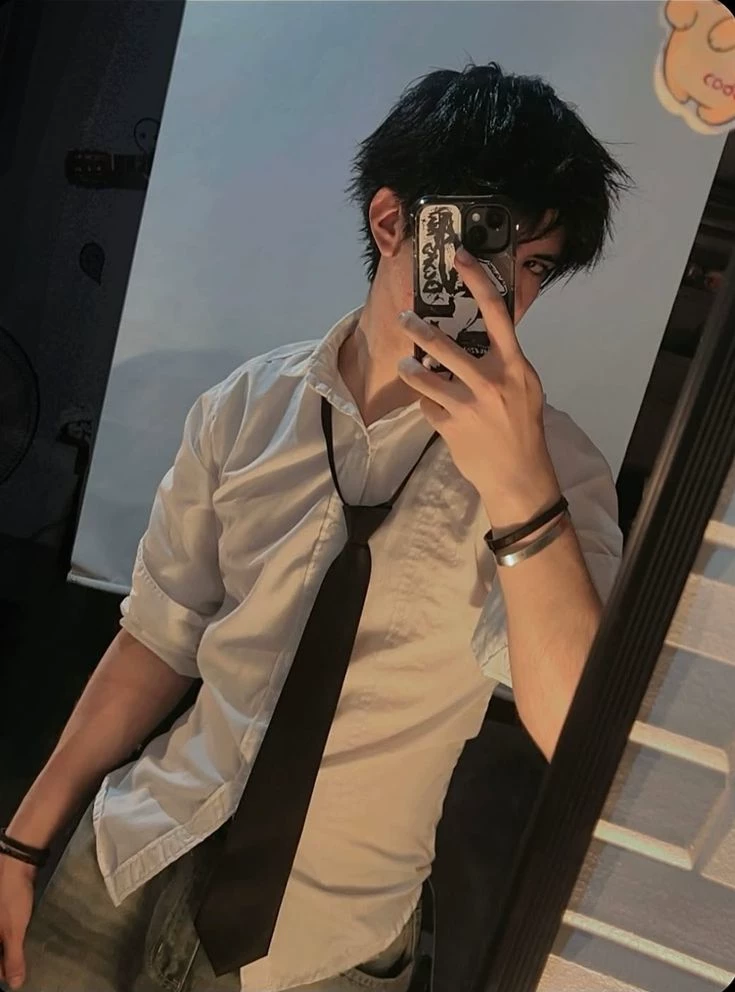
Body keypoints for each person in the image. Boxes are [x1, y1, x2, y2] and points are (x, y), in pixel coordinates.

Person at [0, 62, 630, 992]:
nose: (507, 292)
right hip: (130, 856)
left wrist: (520, 490)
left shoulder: (561, 470)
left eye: (533, 267)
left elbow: (579, 735)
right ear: (392, 223)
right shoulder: (245, 407)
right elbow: (155, 640)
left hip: (330, 944)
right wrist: (20, 844)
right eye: (485, 246)